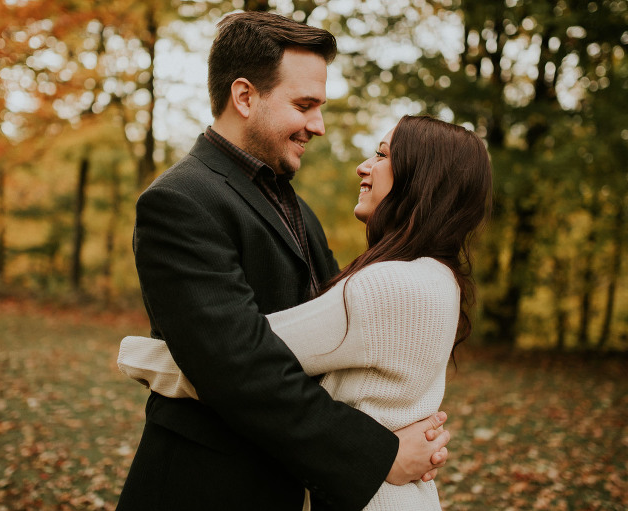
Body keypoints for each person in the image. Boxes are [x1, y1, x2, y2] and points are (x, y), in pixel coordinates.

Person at [116, 12, 451, 511]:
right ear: (245, 96)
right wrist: (379, 453)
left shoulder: (294, 206)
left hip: (277, 483)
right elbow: (239, 368)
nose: (317, 125)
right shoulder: (180, 201)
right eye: (305, 105)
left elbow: (335, 337)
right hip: (201, 488)